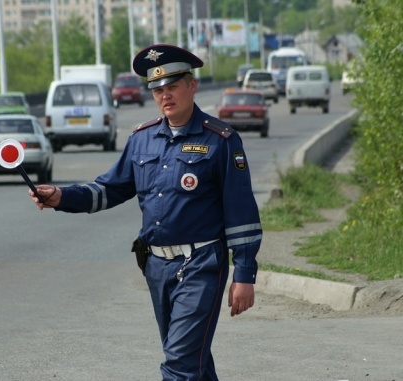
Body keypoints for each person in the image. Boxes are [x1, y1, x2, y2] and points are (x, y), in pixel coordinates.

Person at [29, 44, 262, 381]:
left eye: (172, 87)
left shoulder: (221, 141)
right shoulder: (142, 139)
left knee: (179, 364)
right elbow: (109, 189)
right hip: (156, 268)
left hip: (201, 266)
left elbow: (242, 212)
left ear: (191, 85)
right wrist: (61, 196)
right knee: (193, 361)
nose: (165, 96)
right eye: (158, 90)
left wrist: (244, 273)